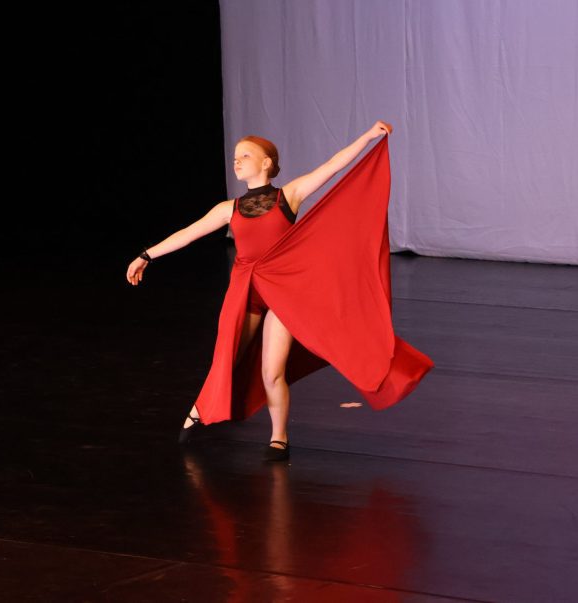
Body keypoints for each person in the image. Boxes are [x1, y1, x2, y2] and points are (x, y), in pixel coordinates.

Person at [127, 120, 433, 462]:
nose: (237, 161)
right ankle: (203, 407)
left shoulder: (289, 195)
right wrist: (146, 256)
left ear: (266, 163)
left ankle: (279, 438)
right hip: (245, 292)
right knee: (227, 357)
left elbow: (333, 165)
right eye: (235, 157)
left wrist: (367, 137)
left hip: (283, 293)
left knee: (272, 372)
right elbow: (187, 233)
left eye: (245, 155)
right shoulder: (228, 209)